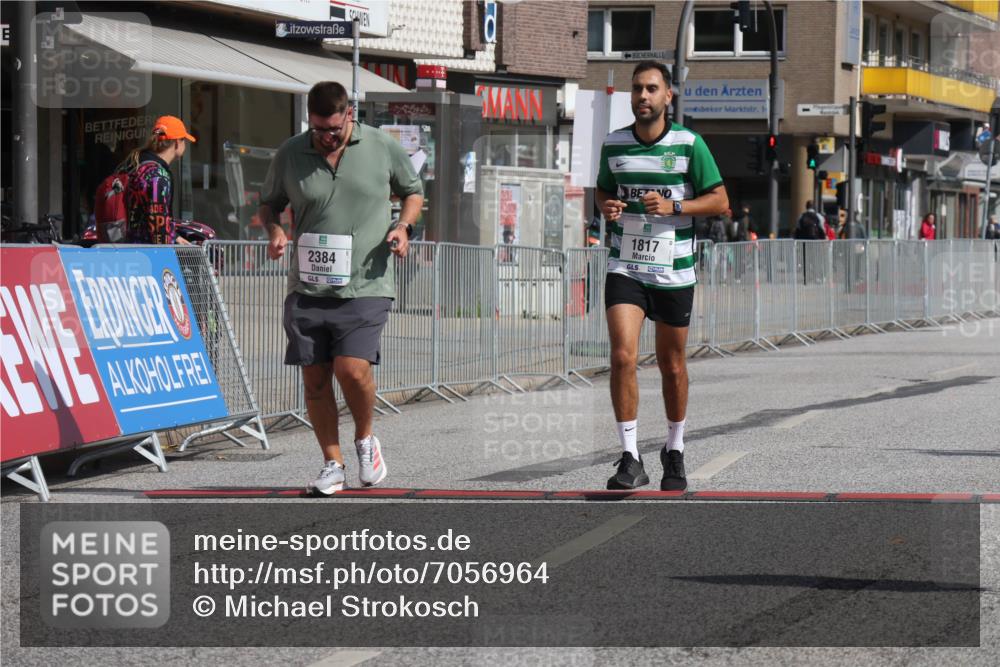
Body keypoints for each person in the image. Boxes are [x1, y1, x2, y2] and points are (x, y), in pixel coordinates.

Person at [261, 82, 424, 495]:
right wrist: (276, 230)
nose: (326, 137)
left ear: (349, 114)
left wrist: (403, 227)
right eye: (318, 129)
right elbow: (269, 202)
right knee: (315, 381)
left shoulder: (381, 146)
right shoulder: (291, 153)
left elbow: (413, 192)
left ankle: (366, 440)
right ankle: (332, 463)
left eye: (332, 129)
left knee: (350, 369)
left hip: (366, 280)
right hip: (308, 286)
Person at [596, 61, 729, 491]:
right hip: (626, 265)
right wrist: (607, 205)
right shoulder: (614, 145)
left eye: (652, 89)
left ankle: (674, 448)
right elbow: (603, 190)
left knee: (672, 366)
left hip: (674, 271)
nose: (643, 96)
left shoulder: (689, 144)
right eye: (637, 89)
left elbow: (720, 200)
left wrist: (676, 207)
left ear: (668, 95)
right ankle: (630, 457)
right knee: (622, 357)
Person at [115, 116, 196, 244]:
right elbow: (159, 226)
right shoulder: (158, 176)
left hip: (127, 246)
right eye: (183, 140)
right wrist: (168, 250)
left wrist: (175, 237)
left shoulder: (134, 164)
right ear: (176, 143)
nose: (184, 144)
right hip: (146, 254)